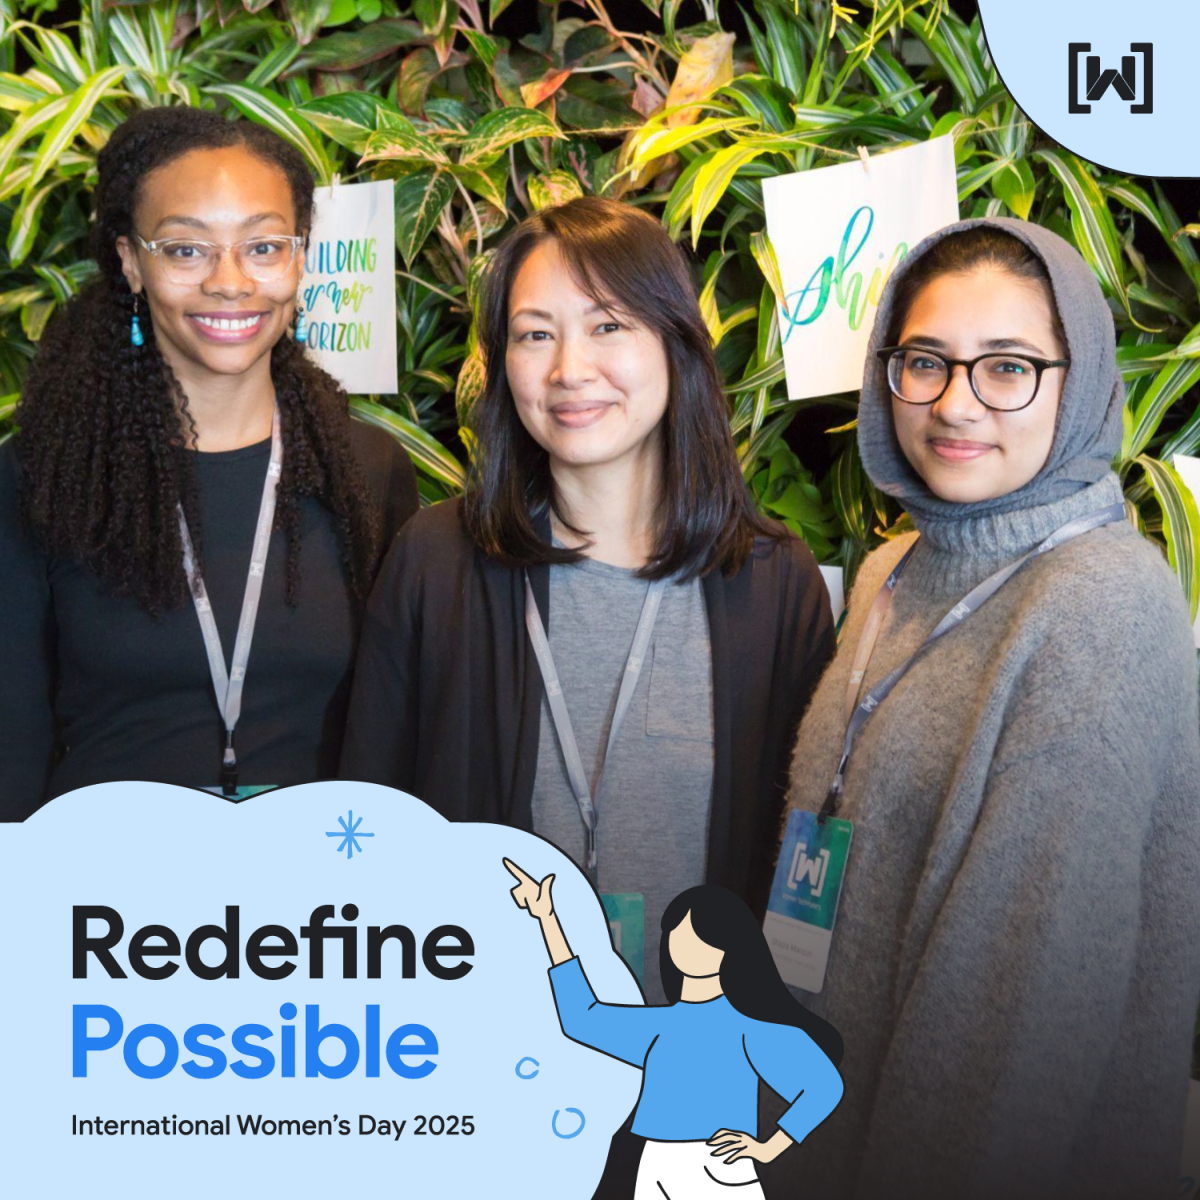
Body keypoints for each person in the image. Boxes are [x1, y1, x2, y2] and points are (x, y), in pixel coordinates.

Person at [768, 218, 1200, 1200]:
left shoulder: (1099, 604)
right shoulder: (895, 570)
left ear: (1077, 379)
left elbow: (1022, 1024)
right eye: (927, 361)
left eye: (1007, 368)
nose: (956, 404)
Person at [341, 197, 835, 994]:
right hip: (483, 1053)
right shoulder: (437, 563)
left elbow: (805, 855)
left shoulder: (773, 583)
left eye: (608, 325)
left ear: (675, 345)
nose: (569, 369)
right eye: (536, 334)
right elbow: (372, 824)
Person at [0, 106, 418, 818]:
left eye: (263, 246)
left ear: (301, 257)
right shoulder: (39, 475)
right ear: (131, 261)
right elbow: (11, 749)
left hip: (320, 910)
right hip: (104, 911)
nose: (230, 281)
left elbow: (397, 734)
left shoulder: (366, 471)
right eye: (187, 250)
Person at [504, 858, 844, 1198]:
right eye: (681, 931)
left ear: (730, 948)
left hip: (715, 1167)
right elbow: (582, 1017)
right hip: (657, 1164)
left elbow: (824, 1086)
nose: (685, 940)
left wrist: (769, 1147)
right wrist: (547, 918)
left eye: (700, 934)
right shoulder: (660, 1026)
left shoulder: (747, 1030)